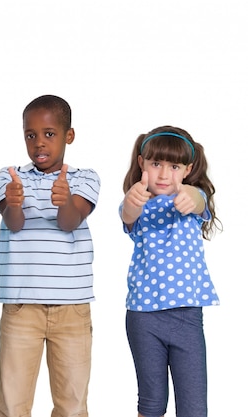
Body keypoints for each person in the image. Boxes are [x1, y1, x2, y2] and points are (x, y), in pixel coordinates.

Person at [0, 95, 100, 417]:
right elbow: (14, 224)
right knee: (13, 403)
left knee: (71, 404)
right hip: (21, 305)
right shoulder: (10, 176)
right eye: (31, 135)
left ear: (69, 135)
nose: (39, 142)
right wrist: (13, 203)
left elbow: (70, 222)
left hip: (72, 307)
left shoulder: (85, 177)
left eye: (49, 134)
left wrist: (64, 200)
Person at [119, 126, 221, 417]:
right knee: (151, 404)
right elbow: (127, 216)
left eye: (174, 167)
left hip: (186, 317)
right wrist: (131, 201)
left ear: (187, 170)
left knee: (193, 407)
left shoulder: (192, 199)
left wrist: (190, 193)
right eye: (155, 164)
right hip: (143, 317)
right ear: (142, 164)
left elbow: (201, 201)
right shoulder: (136, 204)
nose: (164, 175)